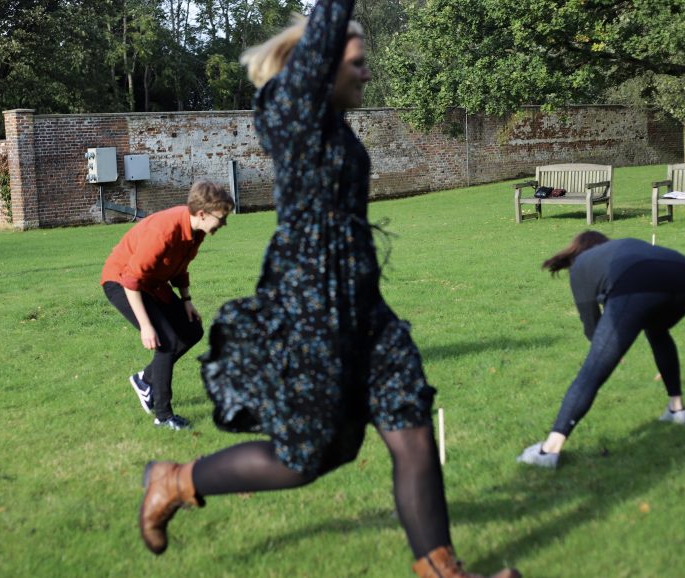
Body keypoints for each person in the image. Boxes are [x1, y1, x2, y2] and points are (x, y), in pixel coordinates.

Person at [134, 3, 520, 577]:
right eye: (357, 62)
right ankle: (177, 479)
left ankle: (442, 570)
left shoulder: (335, 126)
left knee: (410, 425)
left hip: (365, 306)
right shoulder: (289, 111)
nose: (367, 73)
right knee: (311, 456)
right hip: (312, 307)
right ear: (317, 64)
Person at [517, 232, 685, 470]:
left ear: (577, 250)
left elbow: (591, 323)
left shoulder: (581, 264)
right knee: (657, 329)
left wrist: (609, 348)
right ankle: (677, 409)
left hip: (639, 282)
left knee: (592, 371)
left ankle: (548, 450)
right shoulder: (622, 247)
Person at [100, 180, 233, 431]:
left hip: (153, 283)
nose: (223, 223)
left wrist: (187, 301)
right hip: (122, 282)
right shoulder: (164, 231)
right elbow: (131, 280)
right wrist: (146, 326)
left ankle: (145, 379)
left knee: (192, 330)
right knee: (166, 342)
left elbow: (180, 267)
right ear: (202, 214)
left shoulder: (197, 232)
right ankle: (163, 415)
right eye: (221, 217)